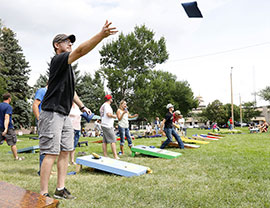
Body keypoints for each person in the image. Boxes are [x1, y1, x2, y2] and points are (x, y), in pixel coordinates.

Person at [38, 20, 117, 199]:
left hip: (64, 114)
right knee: (51, 152)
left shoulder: (67, 68)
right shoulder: (58, 59)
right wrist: (101, 35)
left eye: (71, 41)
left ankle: (60, 188)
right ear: (57, 46)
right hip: (52, 112)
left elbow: (71, 91)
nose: (70, 44)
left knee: (66, 151)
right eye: (66, 41)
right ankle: (43, 193)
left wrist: (82, 106)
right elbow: (81, 51)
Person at [0, 93, 24, 160]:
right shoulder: (8, 107)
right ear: (9, 99)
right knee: (13, 143)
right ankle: (16, 158)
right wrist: (6, 129)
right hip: (8, 128)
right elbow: (6, 117)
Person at [32, 85, 48, 175]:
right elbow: (35, 105)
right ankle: (42, 171)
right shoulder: (42, 91)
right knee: (45, 146)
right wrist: (39, 119)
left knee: (49, 147)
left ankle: (46, 169)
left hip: (49, 121)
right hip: (43, 121)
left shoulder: (50, 92)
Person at [100, 95, 119, 159]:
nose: (112, 99)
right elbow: (108, 114)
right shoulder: (107, 106)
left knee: (104, 141)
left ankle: (105, 155)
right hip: (108, 125)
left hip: (104, 124)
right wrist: (114, 116)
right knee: (113, 140)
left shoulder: (103, 105)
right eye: (111, 98)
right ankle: (115, 156)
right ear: (109, 99)